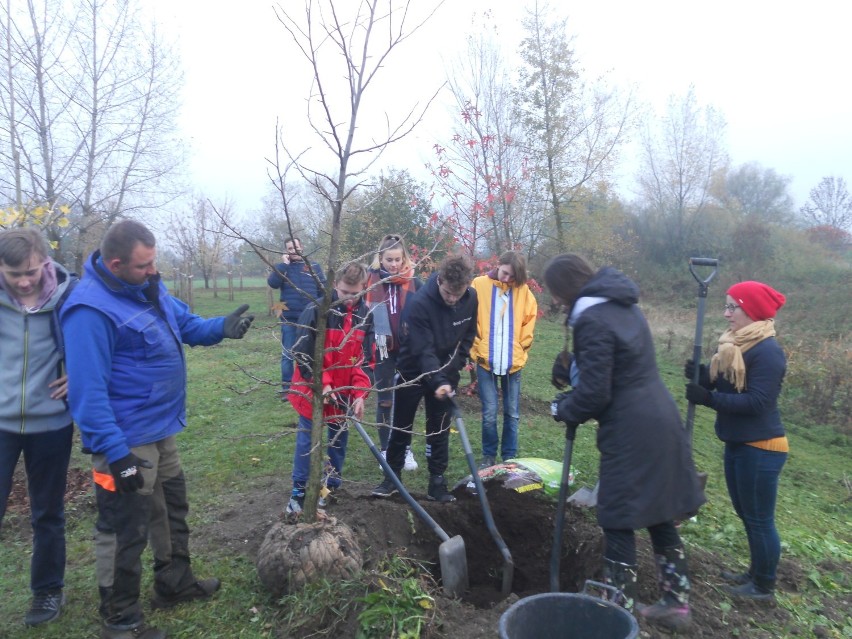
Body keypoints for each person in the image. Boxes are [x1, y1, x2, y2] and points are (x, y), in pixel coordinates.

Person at [60, 220, 254, 639]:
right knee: (123, 525)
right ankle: (120, 617)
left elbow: (185, 325)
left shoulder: (146, 287)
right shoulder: (89, 311)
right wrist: (116, 454)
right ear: (116, 263)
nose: (154, 270)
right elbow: (88, 394)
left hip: (161, 428)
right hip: (126, 438)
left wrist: (222, 327)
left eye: (154, 261)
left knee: (170, 507)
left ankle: (174, 583)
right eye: (145, 264)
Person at [544, 254, 704, 632]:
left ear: (564, 290)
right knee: (659, 512)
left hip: (632, 428)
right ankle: (676, 604)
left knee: (618, 518)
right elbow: (615, 367)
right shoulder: (621, 307)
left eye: (555, 295)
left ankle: (617, 615)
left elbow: (596, 394)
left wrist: (563, 407)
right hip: (660, 417)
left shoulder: (592, 318)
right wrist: (574, 369)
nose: (557, 302)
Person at [685, 280, 787, 601]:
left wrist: (709, 399)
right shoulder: (734, 345)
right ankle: (755, 572)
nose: (726, 313)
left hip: (761, 447)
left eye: (733, 307)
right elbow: (730, 385)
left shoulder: (768, 353)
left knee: (759, 519)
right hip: (739, 443)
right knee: (748, 515)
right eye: (726, 305)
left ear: (751, 311)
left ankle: (763, 586)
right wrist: (703, 375)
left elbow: (757, 402)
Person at [0, 228, 77, 627]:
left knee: (47, 512)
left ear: (45, 261)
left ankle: (47, 591)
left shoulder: (69, 296)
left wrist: (79, 372)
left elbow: (97, 340)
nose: (24, 281)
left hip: (52, 424)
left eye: (30, 271)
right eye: (14, 274)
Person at [372, 254, 477, 503]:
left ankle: (437, 482)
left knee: (439, 428)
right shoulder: (420, 303)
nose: (453, 299)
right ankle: (392, 478)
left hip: (446, 371)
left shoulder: (471, 299)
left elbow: (469, 336)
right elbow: (423, 349)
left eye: (457, 294)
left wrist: (453, 369)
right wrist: (436, 379)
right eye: (448, 293)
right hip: (413, 370)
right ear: (439, 280)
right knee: (401, 426)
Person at [286, 261, 374, 514]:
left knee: (338, 439)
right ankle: (299, 491)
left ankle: (330, 485)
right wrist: (321, 385)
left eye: (354, 293)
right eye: (344, 291)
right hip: (311, 389)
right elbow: (303, 353)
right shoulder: (317, 311)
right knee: (308, 439)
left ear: (364, 288)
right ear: (335, 285)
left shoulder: (364, 316)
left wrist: (359, 394)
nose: (348, 298)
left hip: (344, 391)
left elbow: (364, 361)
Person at [470, 251, 538, 467]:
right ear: (499, 264)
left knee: (512, 413)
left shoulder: (523, 290)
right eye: (505, 273)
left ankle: (509, 457)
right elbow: (468, 315)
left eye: (512, 276)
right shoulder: (479, 285)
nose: (507, 279)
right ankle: (489, 456)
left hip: (513, 363)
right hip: (485, 361)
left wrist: (521, 346)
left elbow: (529, 319)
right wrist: (476, 345)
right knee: (489, 412)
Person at [365, 234, 422, 471]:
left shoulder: (415, 281)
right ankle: (387, 449)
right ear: (381, 258)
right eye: (389, 259)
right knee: (385, 400)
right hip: (381, 346)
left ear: (404, 258)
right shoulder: (371, 281)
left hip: (408, 348)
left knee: (406, 399)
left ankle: (404, 448)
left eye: (398, 259)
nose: (394, 264)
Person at [267, 236, 327, 393]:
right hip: (289, 318)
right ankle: (287, 388)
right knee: (288, 354)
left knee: (311, 353)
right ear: (286, 251)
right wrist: (283, 265)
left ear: (302, 247)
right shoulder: (283, 268)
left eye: (296, 247)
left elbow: (323, 289)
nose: (294, 251)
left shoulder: (314, 266)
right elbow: (273, 283)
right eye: (290, 249)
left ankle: (310, 384)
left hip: (310, 319)